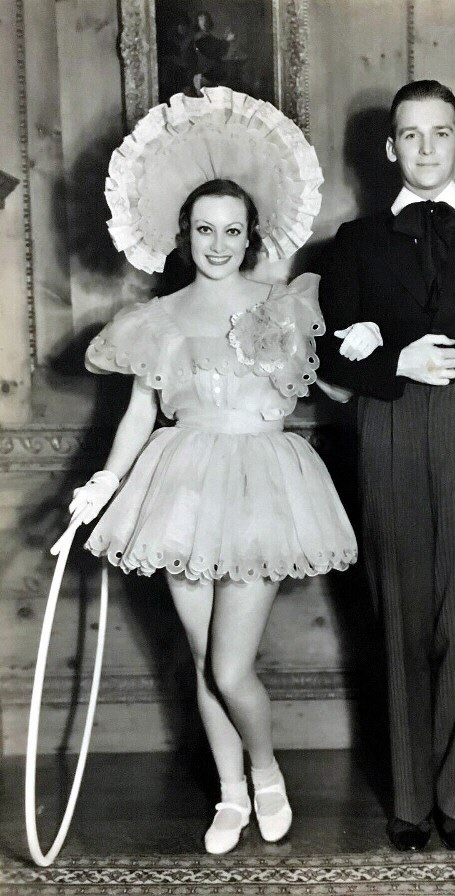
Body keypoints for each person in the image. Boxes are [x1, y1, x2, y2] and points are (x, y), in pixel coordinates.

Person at [67, 88, 356, 855]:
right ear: (183, 234)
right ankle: (229, 793)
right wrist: (103, 484)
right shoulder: (157, 319)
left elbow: (332, 385)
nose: (217, 243)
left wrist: (362, 353)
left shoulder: (287, 304)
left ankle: (266, 771)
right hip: (183, 483)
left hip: (263, 483)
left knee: (231, 666)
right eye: (203, 230)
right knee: (200, 660)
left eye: (231, 230)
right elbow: (139, 413)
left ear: (250, 234)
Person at [316, 79, 455, 852]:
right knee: (402, 616)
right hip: (387, 426)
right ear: (388, 149)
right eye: (408, 136)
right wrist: (394, 367)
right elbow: (326, 347)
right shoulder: (354, 243)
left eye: (438, 133)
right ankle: (410, 804)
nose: (424, 148)